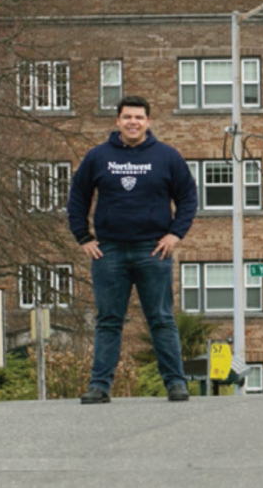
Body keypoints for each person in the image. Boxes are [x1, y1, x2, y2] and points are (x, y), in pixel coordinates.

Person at [67, 96, 198, 404]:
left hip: (153, 251)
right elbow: (78, 198)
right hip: (109, 252)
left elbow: (189, 197)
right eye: (127, 117)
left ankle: (176, 383)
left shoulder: (167, 156)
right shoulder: (98, 157)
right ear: (117, 121)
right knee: (108, 321)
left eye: (139, 117)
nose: (133, 122)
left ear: (148, 121)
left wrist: (175, 235)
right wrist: (83, 237)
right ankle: (99, 386)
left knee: (162, 319)